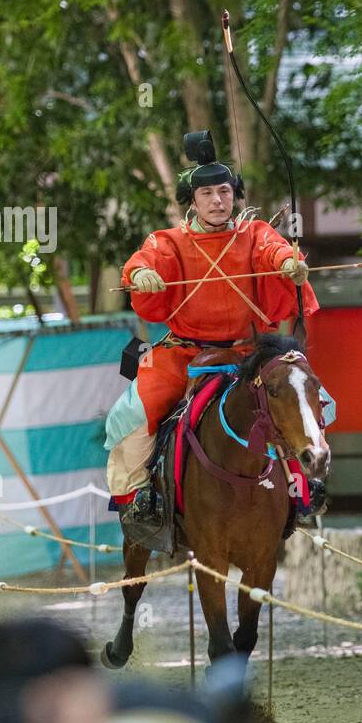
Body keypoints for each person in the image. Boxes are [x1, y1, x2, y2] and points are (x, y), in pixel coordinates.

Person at [104, 131, 319, 529]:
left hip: (251, 355)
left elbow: (273, 250)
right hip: (186, 354)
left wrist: (288, 264)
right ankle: (138, 496)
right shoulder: (169, 240)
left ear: (235, 196)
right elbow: (144, 260)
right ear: (193, 201)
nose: (217, 201)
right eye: (206, 194)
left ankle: (304, 486)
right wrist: (143, 274)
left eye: (224, 191)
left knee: (310, 398)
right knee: (131, 412)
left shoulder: (254, 233)